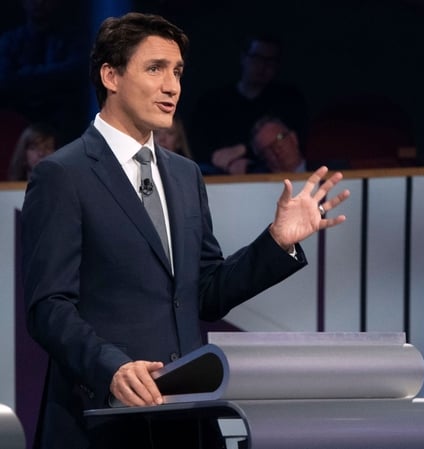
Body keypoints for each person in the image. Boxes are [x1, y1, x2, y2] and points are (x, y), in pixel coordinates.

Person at [21, 12, 349, 449]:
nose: (172, 86)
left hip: (184, 419)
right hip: (102, 419)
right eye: (155, 69)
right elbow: (49, 306)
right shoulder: (63, 174)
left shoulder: (184, 174)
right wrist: (112, 368)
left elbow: (207, 293)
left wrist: (276, 242)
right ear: (110, 75)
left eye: (177, 72)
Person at [190, 32, 308, 174]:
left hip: (273, 177)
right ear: (244, 58)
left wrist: (243, 150)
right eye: (257, 58)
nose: (263, 66)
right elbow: (199, 148)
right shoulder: (213, 101)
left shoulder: (287, 100)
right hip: (219, 176)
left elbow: (295, 147)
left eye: (270, 61)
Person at [0, 0, 90, 142]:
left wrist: (24, 75)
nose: (39, 3)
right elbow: (5, 80)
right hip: (18, 124)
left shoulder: (72, 39)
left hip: (64, 125)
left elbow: (74, 72)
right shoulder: (10, 40)